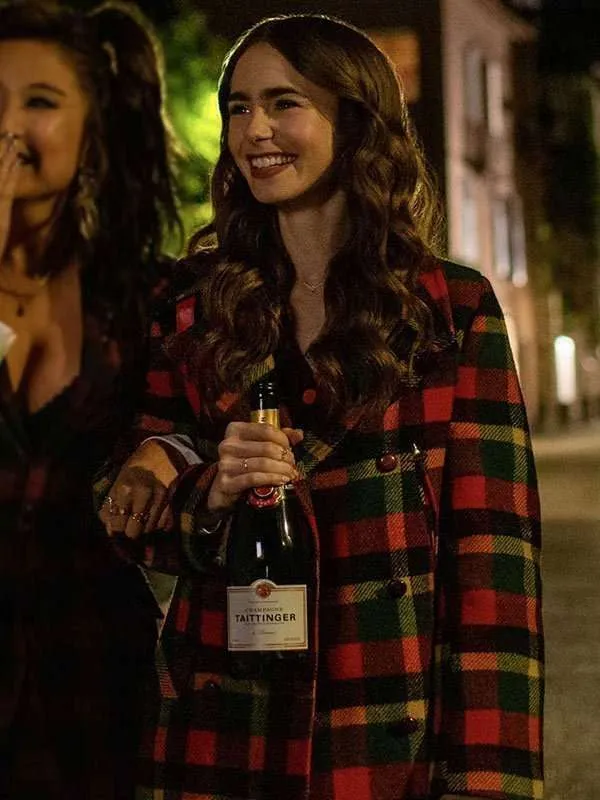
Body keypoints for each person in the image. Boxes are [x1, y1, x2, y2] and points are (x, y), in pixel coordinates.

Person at [102, 13, 543, 800]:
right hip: (223, 734)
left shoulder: (449, 310)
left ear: (357, 120)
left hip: (381, 737)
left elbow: (494, 572)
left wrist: (488, 783)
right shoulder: (195, 304)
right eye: (238, 107)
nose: (253, 131)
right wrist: (210, 493)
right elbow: (131, 519)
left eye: (284, 103)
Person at [0, 1, 182, 797]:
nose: (8, 128)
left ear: (93, 125)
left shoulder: (146, 298)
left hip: (93, 687)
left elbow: (190, 437)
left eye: (39, 102)